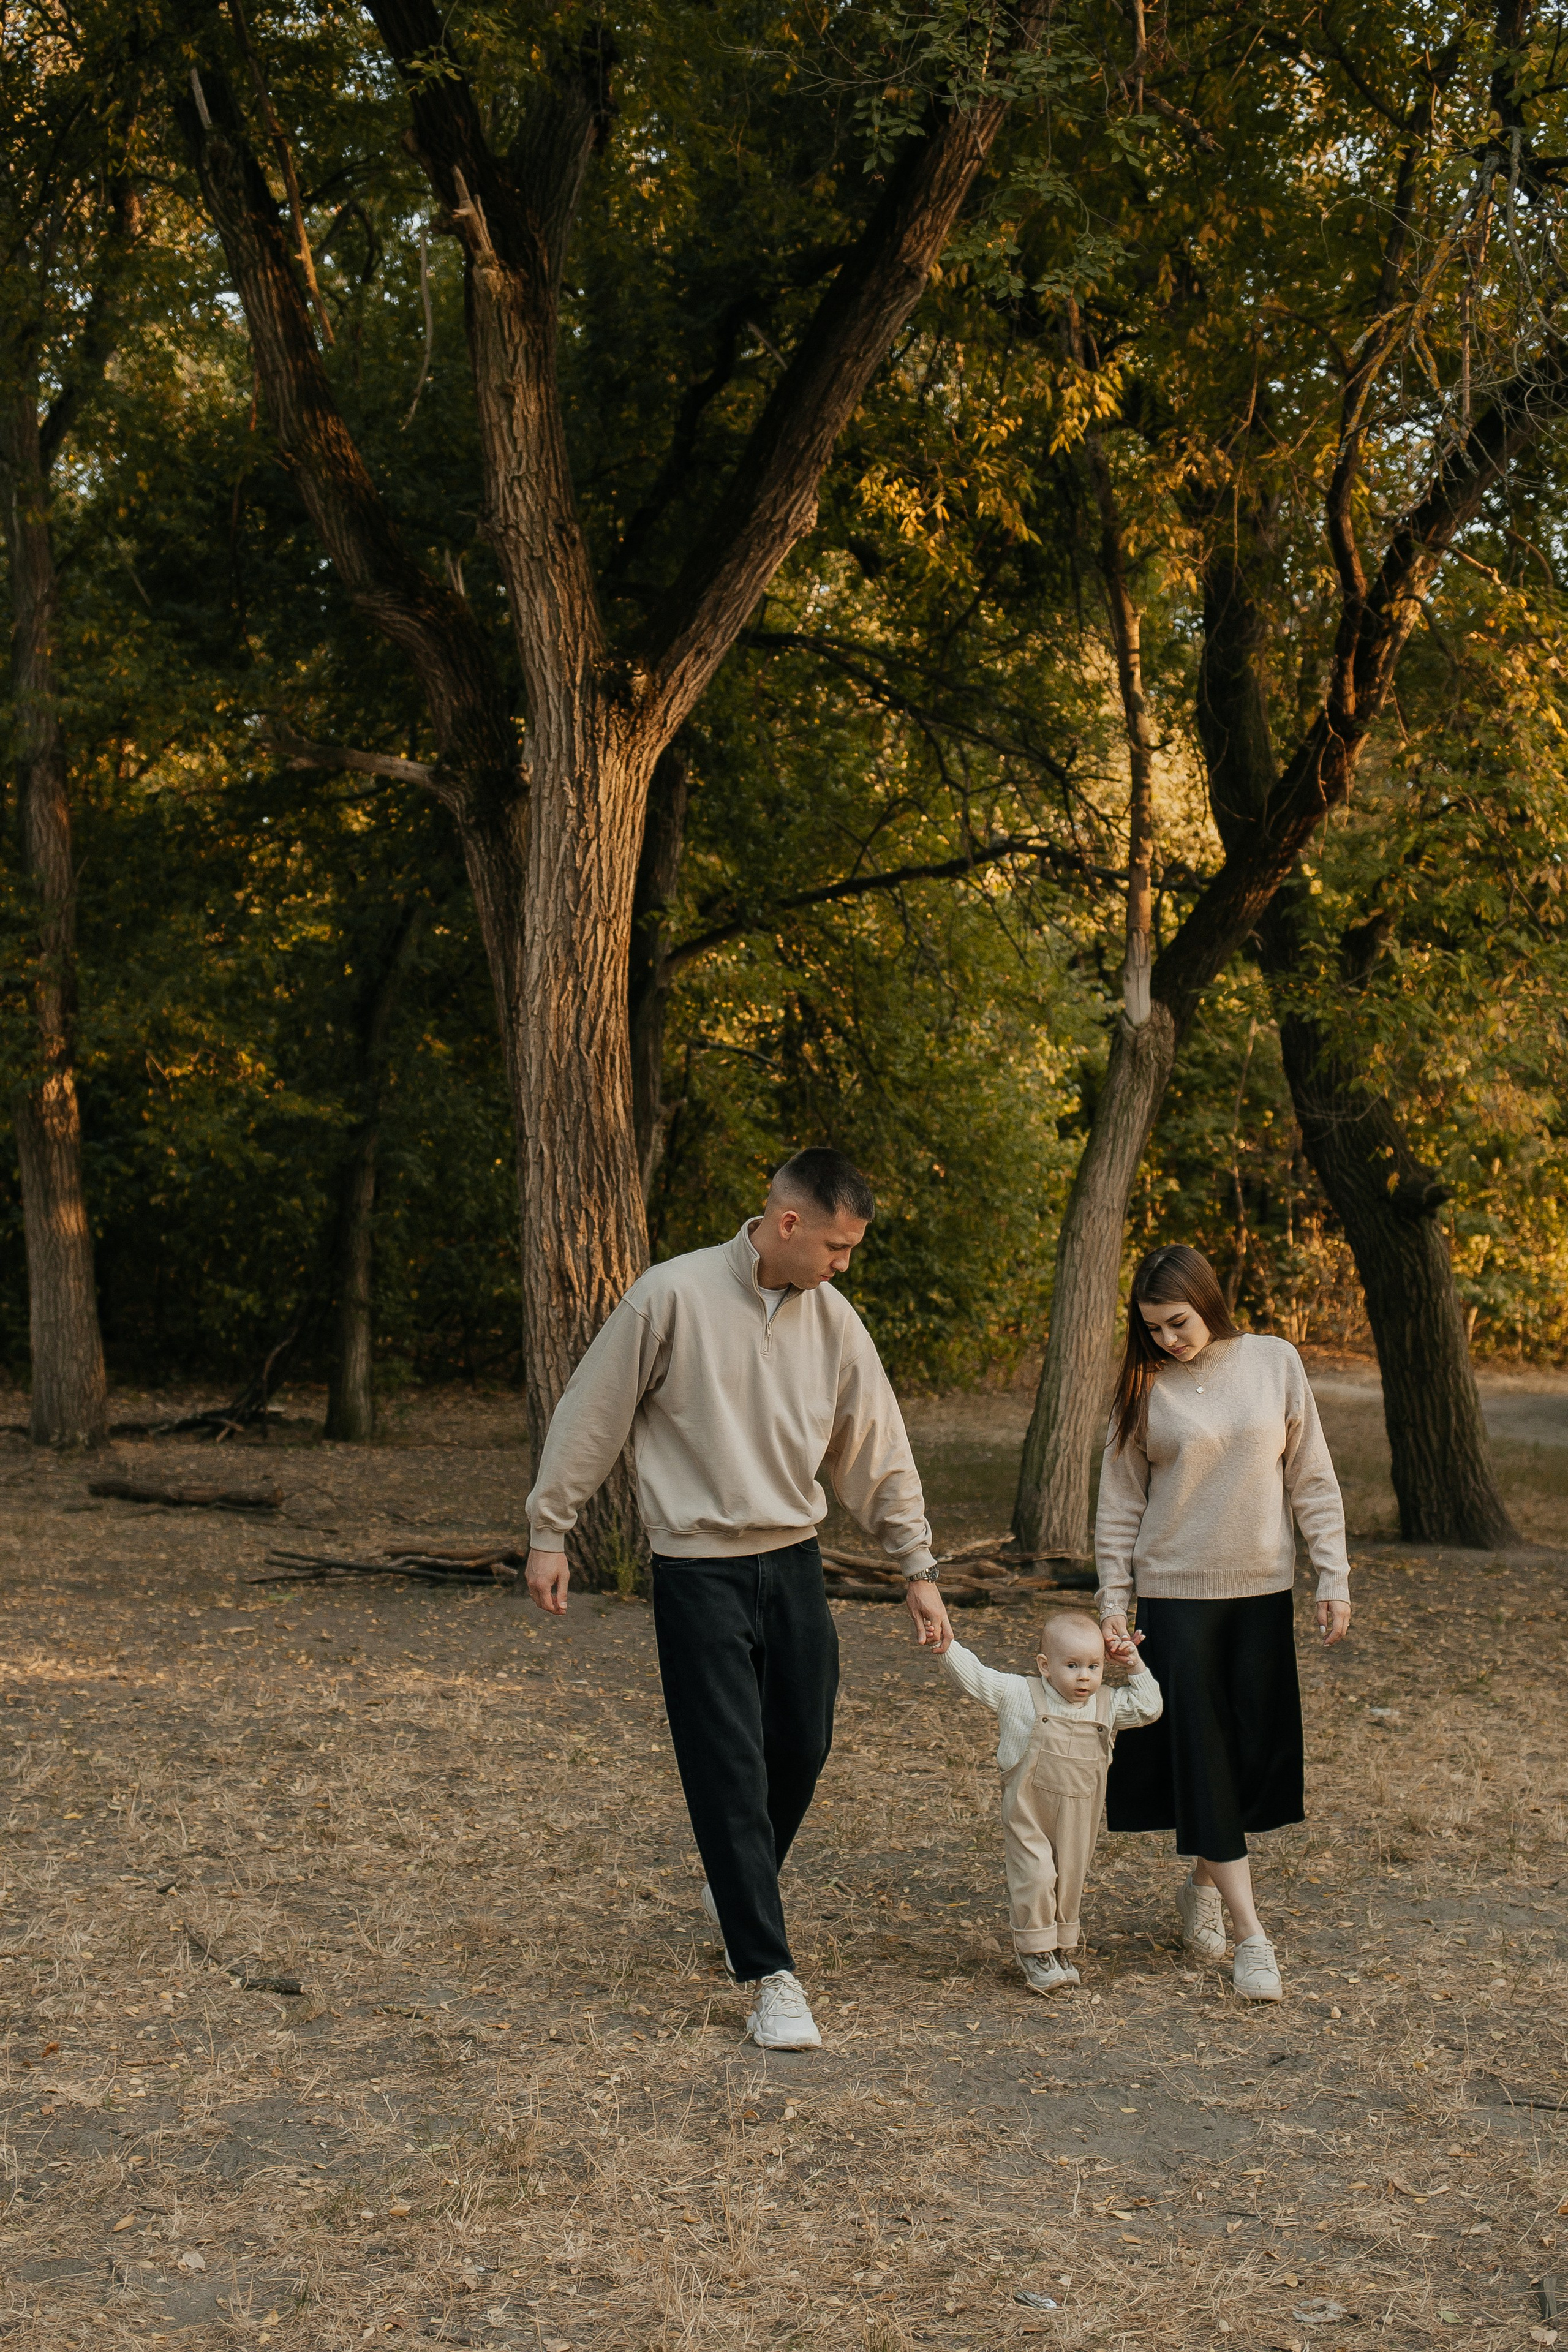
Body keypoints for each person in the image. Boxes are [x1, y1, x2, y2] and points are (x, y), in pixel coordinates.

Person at [522, 1148, 954, 2052]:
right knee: (726, 1766)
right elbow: (590, 1410)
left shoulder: (835, 1322)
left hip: (794, 1561)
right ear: (789, 1224)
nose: (845, 1264)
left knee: (804, 1738)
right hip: (697, 1568)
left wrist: (917, 1566)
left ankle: (736, 1879)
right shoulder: (669, 1297)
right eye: (837, 1246)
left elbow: (875, 1446)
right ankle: (770, 1975)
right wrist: (550, 1527)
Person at [1095, 1244, 1352, 2003]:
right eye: (1153, 1330)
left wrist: (1331, 1573)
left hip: (1261, 1593)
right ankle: (1252, 1938)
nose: (1168, 1340)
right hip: (1174, 1602)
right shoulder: (1144, 1389)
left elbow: (1311, 1474)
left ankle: (1202, 1887)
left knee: (1246, 1764)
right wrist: (1114, 1602)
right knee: (1204, 1761)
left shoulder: (1274, 1362)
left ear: (1205, 1300)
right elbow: (1119, 1508)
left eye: (1176, 1323)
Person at [941, 1609, 1162, 1992]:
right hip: (1029, 1812)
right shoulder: (1019, 1695)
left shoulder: (1107, 1705)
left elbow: (1150, 1707)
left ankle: (1058, 1946)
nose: (1084, 1677)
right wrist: (945, 1645)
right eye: (1073, 1665)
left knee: (1068, 1881)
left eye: (1094, 1666)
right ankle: (1034, 1949)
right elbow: (976, 1676)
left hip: (1079, 1815)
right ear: (1044, 1665)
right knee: (1036, 1875)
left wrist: (1133, 1663)